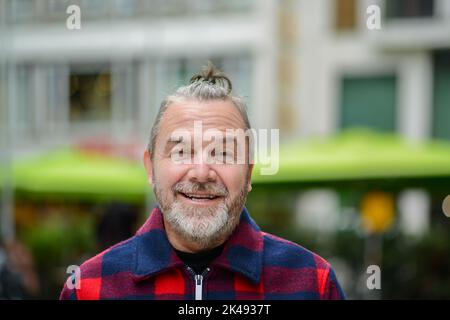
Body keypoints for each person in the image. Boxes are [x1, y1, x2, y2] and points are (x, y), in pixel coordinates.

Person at [60, 63, 345, 300]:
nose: (200, 172)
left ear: (248, 174)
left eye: (223, 153)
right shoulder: (90, 288)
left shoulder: (311, 284)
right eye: (181, 151)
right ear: (150, 168)